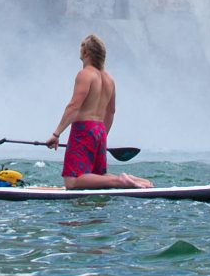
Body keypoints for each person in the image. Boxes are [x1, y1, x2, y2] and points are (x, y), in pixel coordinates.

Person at [45, 33, 151, 188]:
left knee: (72, 181)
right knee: (98, 175)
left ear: (86, 52)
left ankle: (120, 180)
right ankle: (136, 181)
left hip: (84, 129)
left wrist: (56, 134)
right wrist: (101, 136)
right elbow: (111, 112)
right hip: (100, 130)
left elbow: (74, 105)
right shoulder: (109, 79)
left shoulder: (85, 74)